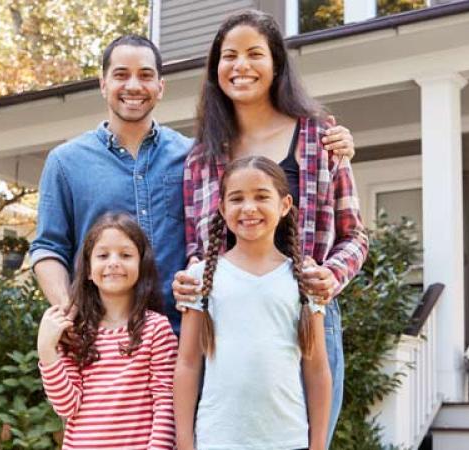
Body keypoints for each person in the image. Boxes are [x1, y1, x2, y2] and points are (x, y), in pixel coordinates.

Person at [29, 34, 355, 335]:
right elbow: (48, 248)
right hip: (104, 337)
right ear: (103, 84)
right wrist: (69, 311)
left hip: (185, 332)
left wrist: (335, 143)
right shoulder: (66, 161)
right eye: (120, 75)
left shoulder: (197, 155)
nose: (133, 85)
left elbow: (252, 175)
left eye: (145, 75)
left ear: (160, 86)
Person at [171, 10, 369, 446]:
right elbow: (196, 247)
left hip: (304, 316)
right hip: (225, 323)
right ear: (215, 69)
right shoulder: (202, 157)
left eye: (254, 54)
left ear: (276, 64)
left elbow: (355, 236)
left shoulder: (320, 137)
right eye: (229, 56)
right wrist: (189, 279)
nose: (241, 66)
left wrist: (329, 277)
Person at [173, 156, 330, 450]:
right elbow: (188, 363)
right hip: (217, 440)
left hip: (287, 440)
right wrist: (184, 441)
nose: (248, 208)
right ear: (222, 208)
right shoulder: (200, 277)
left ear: (284, 205)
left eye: (261, 196)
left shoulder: (305, 279)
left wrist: (318, 444)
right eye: (236, 198)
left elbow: (317, 368)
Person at [38, 212, 178, 450]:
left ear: (141, 266)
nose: (114, 262)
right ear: (89, 270)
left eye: (125, 255)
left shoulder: (157, 329)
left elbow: (165, 405)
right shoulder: (76, 333)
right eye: (103, 255)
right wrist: (46, 350)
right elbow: (66, 406)